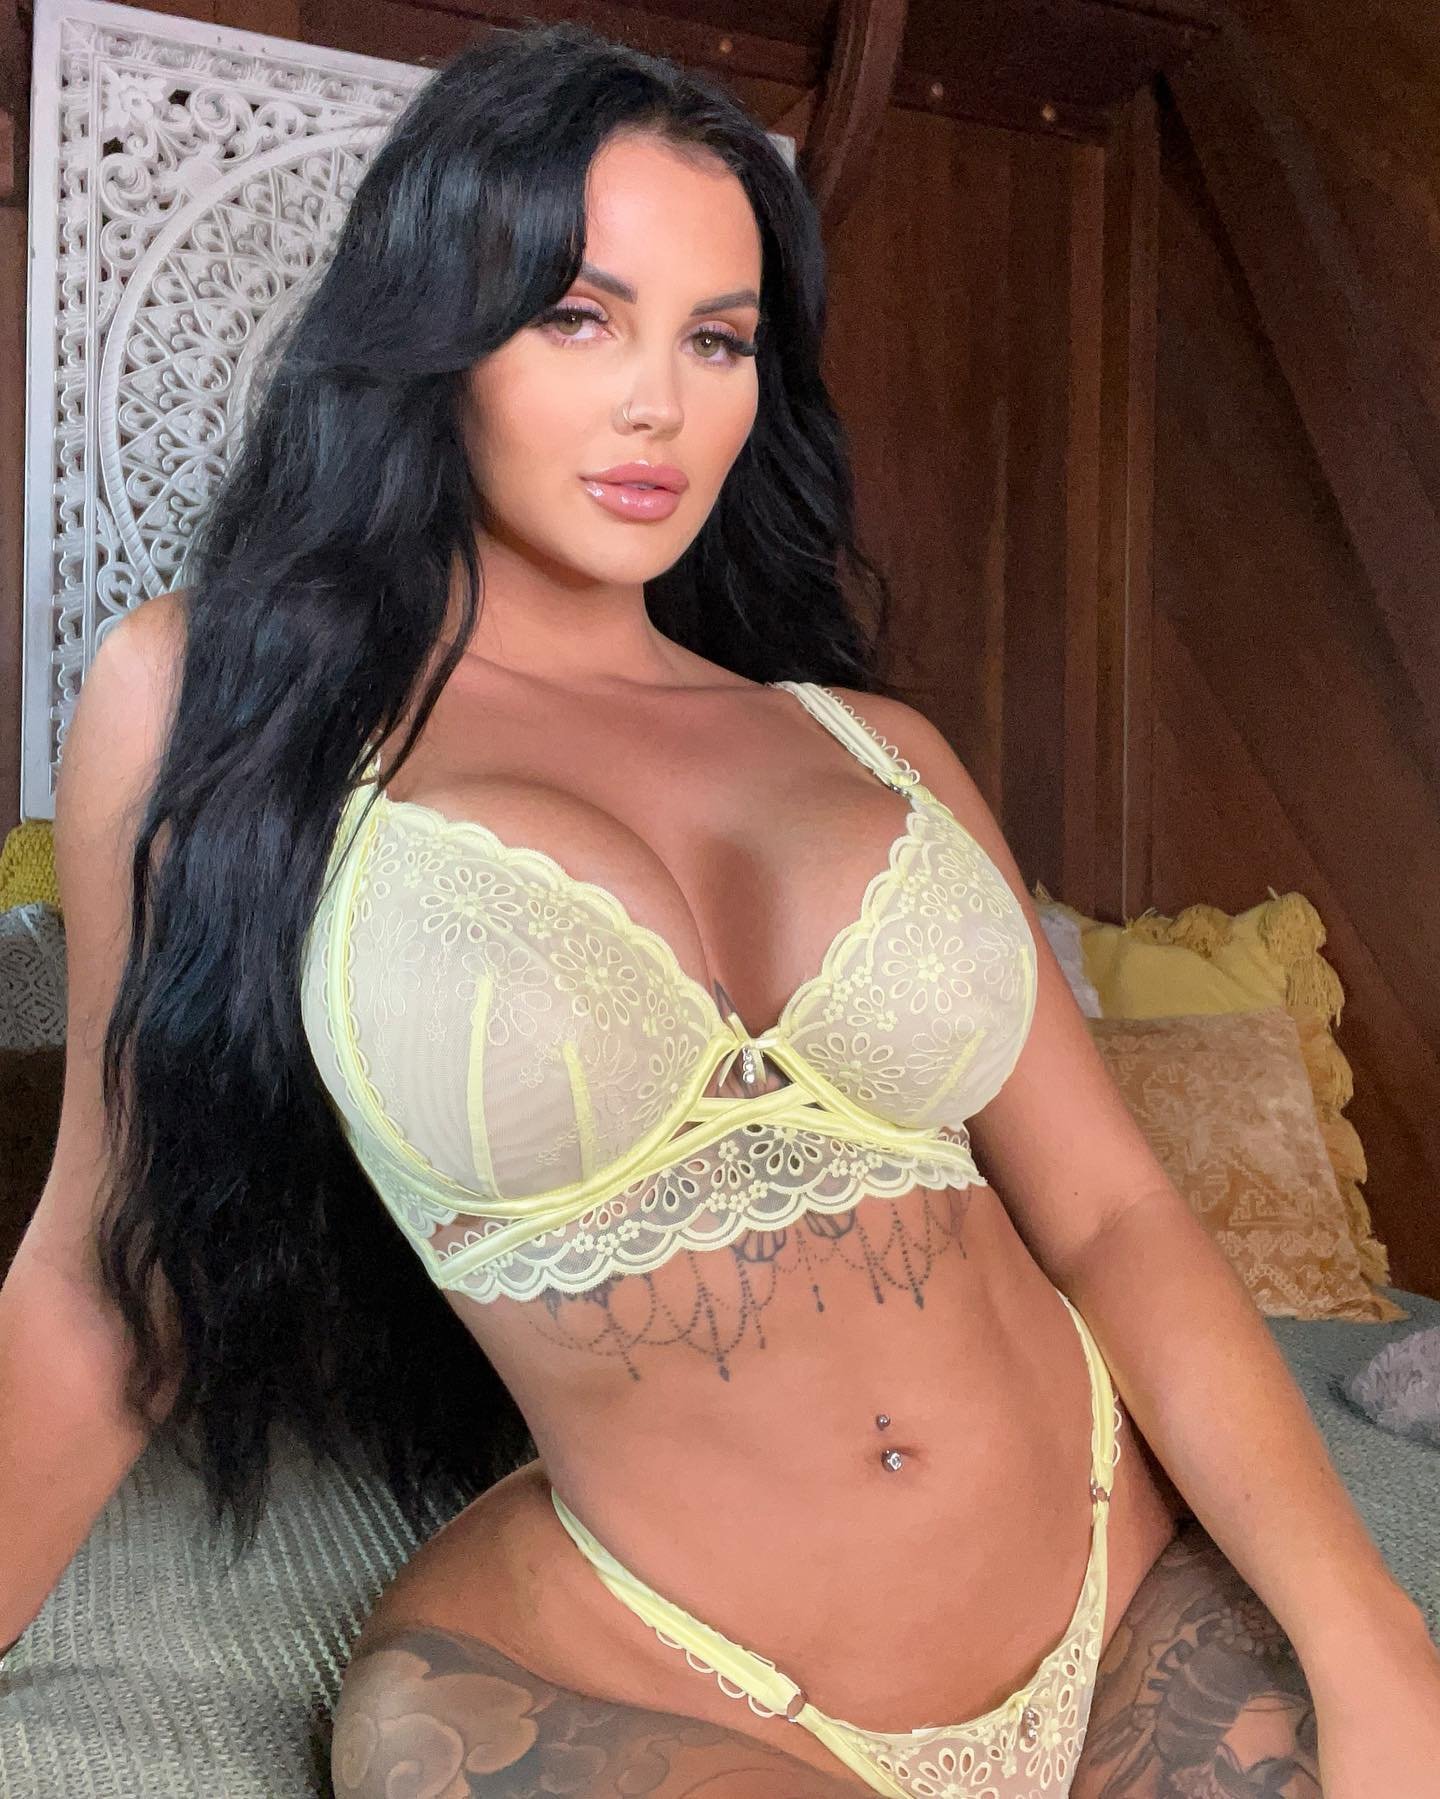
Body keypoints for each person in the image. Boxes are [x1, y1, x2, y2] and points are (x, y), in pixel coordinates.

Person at [4, 20, 1438, 1798]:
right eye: (578, 316)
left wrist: (1367, 1630)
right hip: (643, 1681)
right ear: (433, 334)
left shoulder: (871, 746)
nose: (657, 406)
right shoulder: (212, 700)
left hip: (1129, 1585)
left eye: (719, 338)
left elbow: (1116, 1215)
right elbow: (108, 1272)